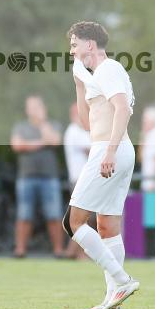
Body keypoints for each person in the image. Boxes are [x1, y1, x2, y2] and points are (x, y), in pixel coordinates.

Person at [64, 20, 139, 309]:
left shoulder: (109, 69)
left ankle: (122, 280)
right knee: (107, 227)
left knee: (72, 222)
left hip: (111, 149)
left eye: (74, 44)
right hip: (113, 148)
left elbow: (122, 108)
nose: (70, 50)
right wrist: (79, 85)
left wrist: (109, 150)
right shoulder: (94, 74)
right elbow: (86, 123)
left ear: (89, 45)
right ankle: (115, 299)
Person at [10, 96, 64, 258]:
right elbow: (17, 145)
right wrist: (41, 143)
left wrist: (42, 123)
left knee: (54, 214)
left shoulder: (52, 125)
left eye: (36, 107)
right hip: (26, 177)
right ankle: (20, 249)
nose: (33, 110)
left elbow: (54, 141)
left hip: (50, 177)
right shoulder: (20, 127)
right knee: (24, 214)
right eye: (30, 107)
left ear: (43, 107)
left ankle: (58, 250)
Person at [63, 102, 91, 260]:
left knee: (83, 217)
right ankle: (74, 252)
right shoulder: (74, 131)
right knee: (81, 217)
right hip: (79, 179)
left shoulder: (79, 131)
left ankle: (74, 251)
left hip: (82, 179)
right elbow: (92, 150)